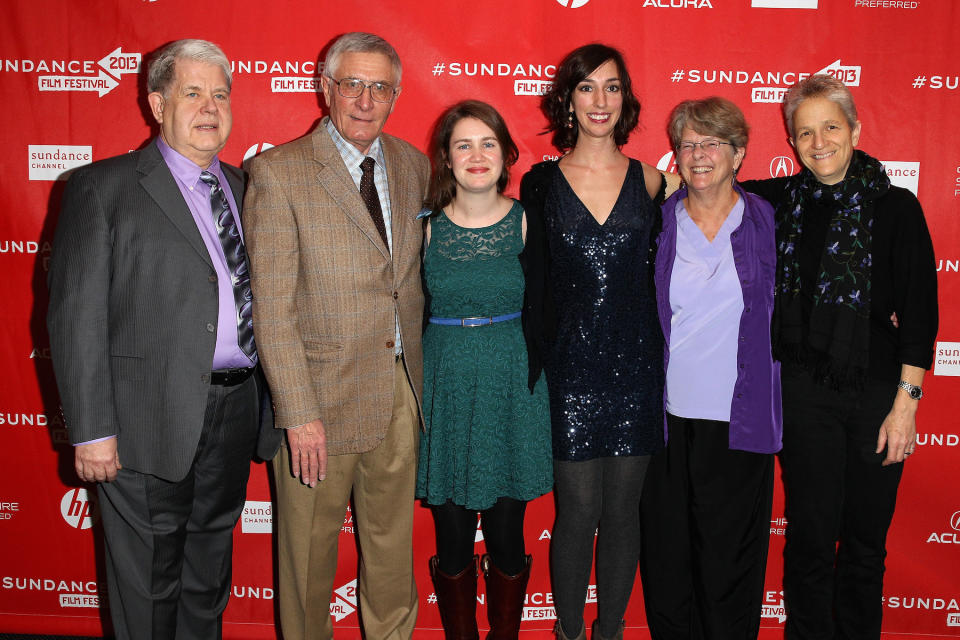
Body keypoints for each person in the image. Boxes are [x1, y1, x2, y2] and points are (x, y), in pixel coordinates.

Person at [46, 39, 281, 639]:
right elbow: (76, 317)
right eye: (193, 93)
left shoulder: (245, 188)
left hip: (234, 408)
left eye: (221, 94)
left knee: (207, 578)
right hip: (142, 420)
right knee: (148, 587)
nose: (210, 108)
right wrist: (93, 430)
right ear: (156, 103)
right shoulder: (102, 188)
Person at [243, 32, 429, 640]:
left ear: (396, 96)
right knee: (307, 565)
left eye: (381, 87)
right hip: (317, 405)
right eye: (352, 84)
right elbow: (271, 310)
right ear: (326, 88)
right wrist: (298, 413)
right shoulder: (278, 173)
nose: (366, 99)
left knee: (391, 560)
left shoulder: (412, 163)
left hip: (399, 394)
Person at [740, 74, 938, 639]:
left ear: (855, 129)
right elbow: (709, 183)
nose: (819, 141)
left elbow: (920, 318)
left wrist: (907, 405)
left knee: (864, 545)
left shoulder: (896, 207)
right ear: (792, 142)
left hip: (878, 395)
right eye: (805, 132)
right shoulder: (778, 203)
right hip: (803, 394)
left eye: (831, 126)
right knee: (807, 540)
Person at [520, 43, 673, 640]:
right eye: (587, 87)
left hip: (637, 367)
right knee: (578, 511)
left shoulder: (656, 182)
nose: (600, 100)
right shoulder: (539, 184)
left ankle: (609, 631)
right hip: (568, 371)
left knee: (622, 514)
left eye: (612, 87)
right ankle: (567, 632)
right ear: (568, 99)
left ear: (626, 98)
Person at [639, 97, 781, 640]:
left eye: (712, 143)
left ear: (739, 152)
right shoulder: (657, 222)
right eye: (688, 144)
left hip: (739, 421)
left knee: (729, 569)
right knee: (669, 563)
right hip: (666, 422)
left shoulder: (768, 217)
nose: (698, 155)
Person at [416, 100, 552, 639]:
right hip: (445, 390)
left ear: (506, 154)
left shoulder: (528, 222)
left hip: (511, 392)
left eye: (488, 143)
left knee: (507, 534)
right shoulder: (422, 229)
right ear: (446, 159)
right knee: (450, 536)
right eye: (463, 145)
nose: (477, 155)